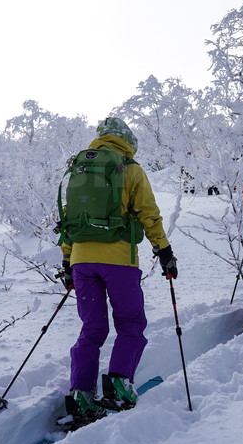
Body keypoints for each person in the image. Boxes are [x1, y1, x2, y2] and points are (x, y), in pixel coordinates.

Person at [56, 117, 177, 427]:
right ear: (128, 141)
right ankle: (120, 384)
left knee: (92, 328)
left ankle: (82, 393)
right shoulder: (130, 169)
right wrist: (164, 251)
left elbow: (69, 218)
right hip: (119, 261)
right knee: (130, 322)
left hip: (83, 261)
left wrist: (68, 261)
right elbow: (149, 215)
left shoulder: (79, 170)